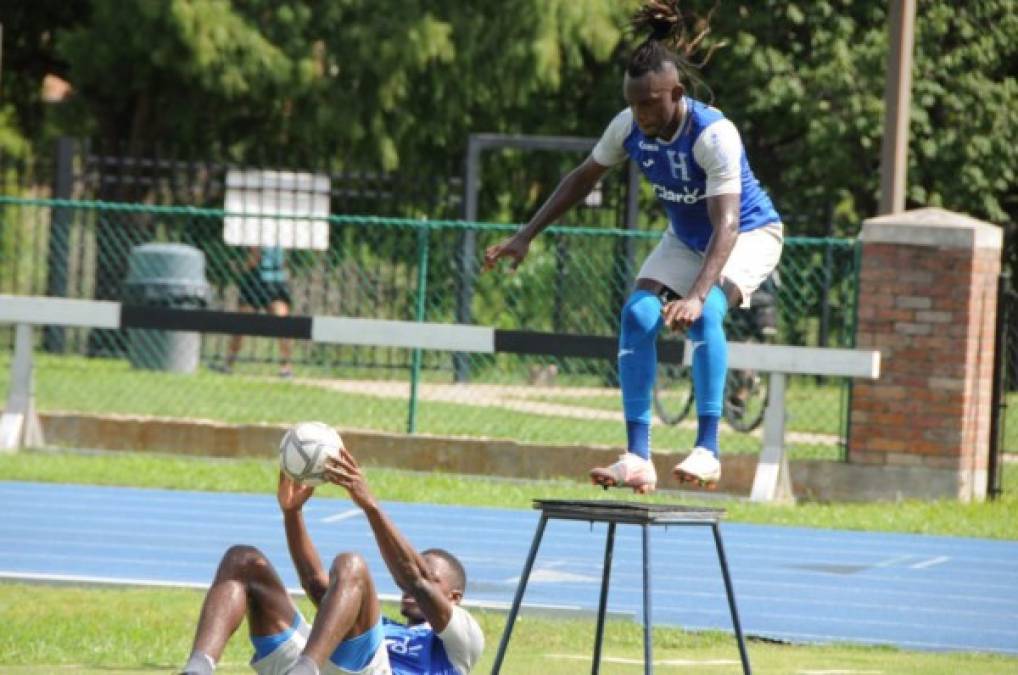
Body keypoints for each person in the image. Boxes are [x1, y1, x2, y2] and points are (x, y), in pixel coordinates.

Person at [483, 0, 783, 492]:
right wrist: (524, 235)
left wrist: (693, 294)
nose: (641, 114)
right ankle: (638, 458)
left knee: (706, 313)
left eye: (650, 104)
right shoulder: (627, 127)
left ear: (676, 94)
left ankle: (708, 449)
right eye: (634, 103)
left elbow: (726, 223)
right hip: (687, 238)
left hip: (748, 233)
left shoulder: (713, 135)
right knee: (639, 316)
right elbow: (581, 179)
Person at [179, 447, 484, 675]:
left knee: (351, 564)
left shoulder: (463, 642)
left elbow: (415, 580)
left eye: (432, 574)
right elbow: (315, 585)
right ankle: (197, 667)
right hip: (330, 663)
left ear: (454, 597)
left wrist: (370, 505)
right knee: (243, 560)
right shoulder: (378, 626)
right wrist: (292, 514)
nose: (418, 573)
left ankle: (306, 669)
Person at [218, 245, 294, 378]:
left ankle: (286, 366)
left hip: (269, 278)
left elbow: (254, 259)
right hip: (264, 278)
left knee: (281, 323)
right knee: (244, 323)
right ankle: (229, 363)